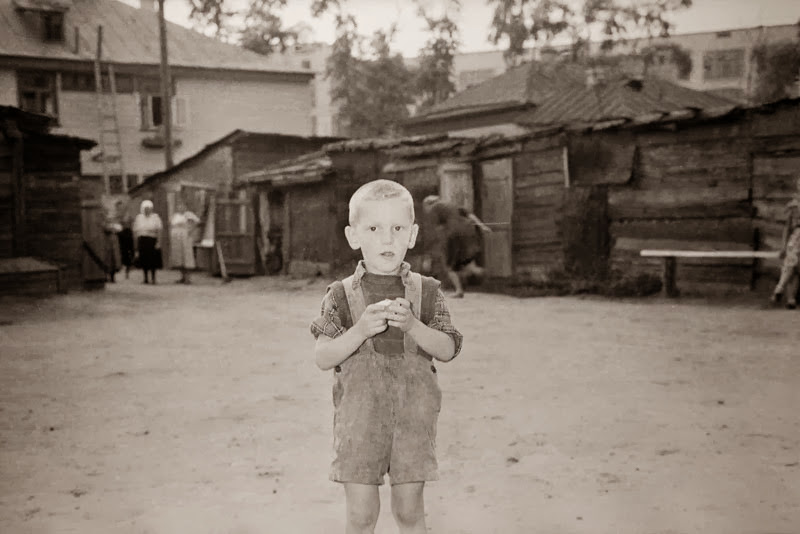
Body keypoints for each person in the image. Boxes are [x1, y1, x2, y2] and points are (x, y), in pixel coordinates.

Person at [310, 179, 463, 534]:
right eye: (374, 228)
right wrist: (360, 330)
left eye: (397, 228)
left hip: (414, 420)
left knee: (410, 514)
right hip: (359, 422)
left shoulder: (428, 292)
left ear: (412, 235)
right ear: (353, 235)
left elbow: (449, 347)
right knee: (361, 517)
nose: (387, 239)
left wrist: (413, 326)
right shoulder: (339, 295)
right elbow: (323, 357)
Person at [421, 195, 489, 298]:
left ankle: (459, 290)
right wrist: (482, 226)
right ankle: (479, 271)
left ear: (428, 204)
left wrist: (429, 255)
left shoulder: (434, 208)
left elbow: (434, 232)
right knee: (464, 260)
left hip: (453, 234)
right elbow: (470, 215)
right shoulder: (452, 205)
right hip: (468, 231)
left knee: (449, 265)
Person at [770, 179, 800, 309]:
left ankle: (780, 289)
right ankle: (789, 298)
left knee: (795, 268)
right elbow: (787, 227)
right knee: (791, 265)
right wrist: (783, 246)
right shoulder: (793, 205)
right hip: (797, 237)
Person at [169, 200, 201, 284]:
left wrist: (190, 230)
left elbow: (197, 222)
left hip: (185, 237)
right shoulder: (175, 216)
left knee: (187, 257)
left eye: (182, 206)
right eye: (179, 206)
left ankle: (188, 278)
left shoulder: (188, 215)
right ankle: (182, 277)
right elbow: (172, 225)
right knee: (179, 258)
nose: (180, 208)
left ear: (185, 207)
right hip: (176, 238)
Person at [132, 199, 163, 284]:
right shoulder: (139, 217)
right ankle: (145, 278)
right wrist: (136, 244)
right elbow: (135, 230)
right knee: (144, 259)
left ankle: (153, 278)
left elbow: (159, 230)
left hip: (152, 239)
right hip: (142, 240)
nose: (147, 210)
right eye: (145, 208)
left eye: (149, 208)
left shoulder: (155, 217)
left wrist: (158, 242)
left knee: (153, 260)